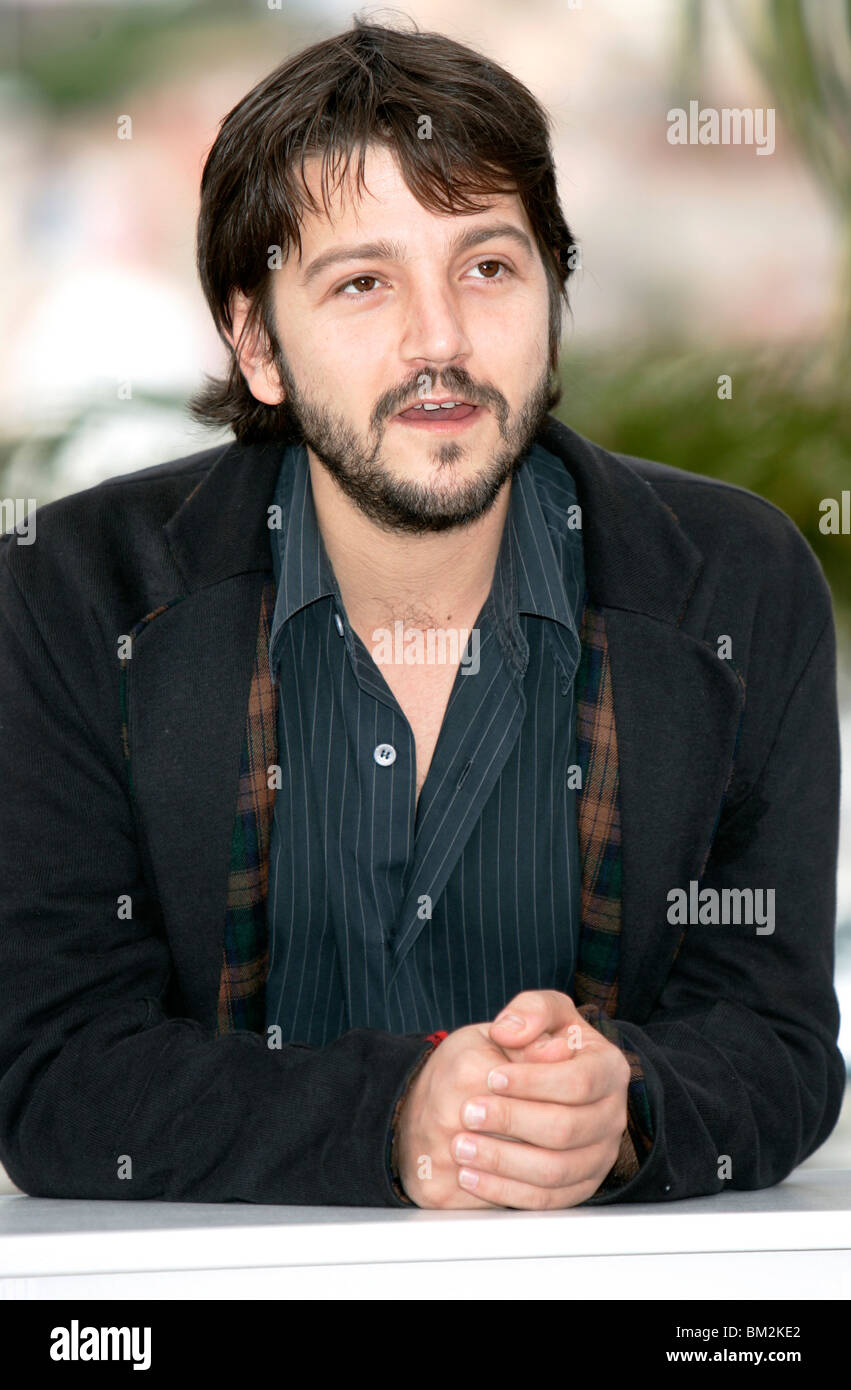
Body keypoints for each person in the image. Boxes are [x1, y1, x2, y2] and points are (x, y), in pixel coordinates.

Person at [0, 19, 843, 1211]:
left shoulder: (732, 586)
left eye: (486, 267)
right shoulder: (76, 595)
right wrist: (397, 1114)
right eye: (361, 282)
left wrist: (626, 1108)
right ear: (258, 343)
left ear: (553, 295)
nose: (438, 341)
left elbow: (778, 1041)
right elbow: (52, 1077)